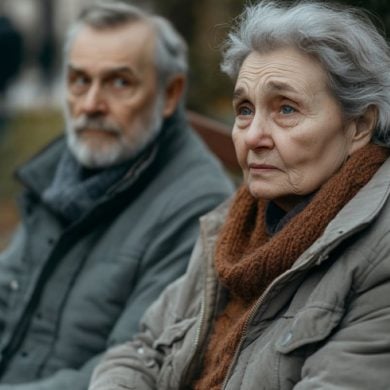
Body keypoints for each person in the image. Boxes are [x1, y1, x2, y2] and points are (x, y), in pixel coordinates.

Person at [89, 1, 390, 389]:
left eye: (285, 108)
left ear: (360, 126)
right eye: (245, 109)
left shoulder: (379, 254)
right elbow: (140, 351)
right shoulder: (232, 226)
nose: (252, 137)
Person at [0, 1, 233, 389]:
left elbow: (134, 366)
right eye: (79, 80)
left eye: (119, 82)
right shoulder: (68, 166)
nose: (91, 105)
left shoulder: (199, 205)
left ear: (171, 93)